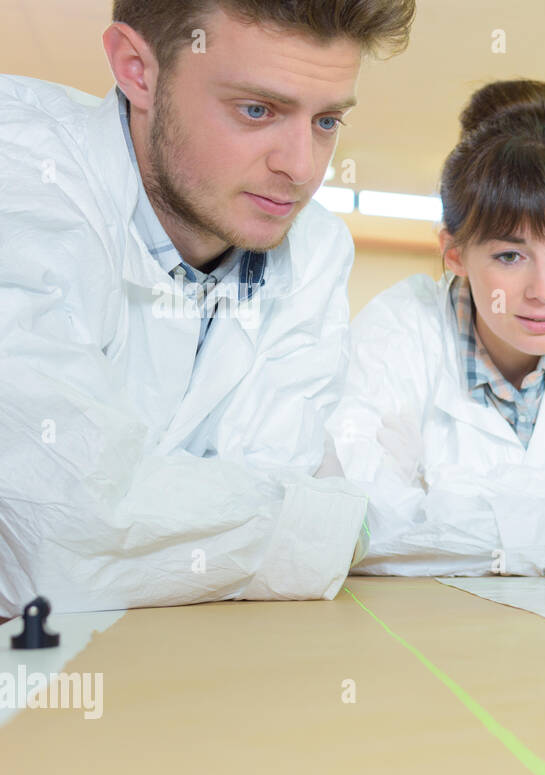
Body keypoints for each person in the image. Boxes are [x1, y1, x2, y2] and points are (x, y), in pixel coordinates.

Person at [0, 0, 417, 619]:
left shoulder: (317, 248)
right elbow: (55, 537)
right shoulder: (21, 172)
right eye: (257, 110)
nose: (300, 169)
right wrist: (325, 525)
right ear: (137, 69)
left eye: (327, 121)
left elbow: (271, 475)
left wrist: (137, 508)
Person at [325, 80, 545, 577]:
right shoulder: (399, 324)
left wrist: (439, 491)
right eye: (510, 255)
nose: (544, 290)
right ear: (454, 253)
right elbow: (363, 522)